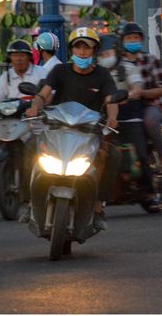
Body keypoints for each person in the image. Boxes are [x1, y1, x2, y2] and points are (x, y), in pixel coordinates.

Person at [25, 27, 121, 229]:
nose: (82, 52)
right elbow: (44, 93)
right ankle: (29, 201)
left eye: (87, 48)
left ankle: (98, 204)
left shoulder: (103, 75)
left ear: (94, 50)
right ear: (72, 51)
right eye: (78, 47)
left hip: (90, 131)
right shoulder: (60, 71)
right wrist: (35, 107)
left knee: (111, 155)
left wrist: (112, 118)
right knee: (30, 147)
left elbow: (111, 100)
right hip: (58, 128)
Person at [97, 34, 160, 212]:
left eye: (107, 53)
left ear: (116, 52)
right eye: (101, 55)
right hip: (103, 120)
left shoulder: (128, 68)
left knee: (139, 155)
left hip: (130, 117)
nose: (104, 57)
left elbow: (138, 88)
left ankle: (150, 193)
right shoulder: (97, 72)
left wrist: (128, 95)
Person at [118, 22, 162, 173]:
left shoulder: (150, 59)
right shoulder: (118, 63)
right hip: (123, 105)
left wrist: (141, 94)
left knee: (150, 120)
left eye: (136, 37)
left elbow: (160, 89)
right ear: (122, 41)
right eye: (129, 38)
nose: (133, 41)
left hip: (149, 105)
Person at [0, 39, 49, 105]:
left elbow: (49, 95)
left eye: (22, 55)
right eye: (14, 56)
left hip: (37, 112)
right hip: (11, 113)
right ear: (10, 58)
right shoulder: (5, 77)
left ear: (29, 57)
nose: (18, 59)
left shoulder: (42, 72)